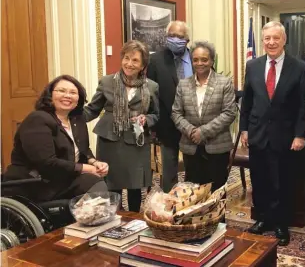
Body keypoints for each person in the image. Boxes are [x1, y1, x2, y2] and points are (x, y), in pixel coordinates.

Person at [240, 21, 305, 246]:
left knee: (283, 182)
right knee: (259, 180)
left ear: (284, 40)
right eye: (267, 38)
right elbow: (248, 101)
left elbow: (303, 104)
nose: (271, 42)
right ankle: (263, 220)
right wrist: (243, 129)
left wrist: (300, 134)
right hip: (257, 133)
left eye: (275, 38)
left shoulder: (299, 67)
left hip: (286, 136)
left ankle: (281, 224)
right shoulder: (252, 66)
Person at [2, 75, 108, 202]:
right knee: (91, 183)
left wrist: (94, 163)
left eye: (73, 92)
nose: (67, 95)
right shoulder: (38, 119)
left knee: (96, 183)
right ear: (50, 95)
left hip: (62, 180)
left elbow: (83, 150)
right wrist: (86, 168)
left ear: (78, 98)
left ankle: (98, 217)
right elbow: (47, 163)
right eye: (62, 91)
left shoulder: (77, 119)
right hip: (35, 183)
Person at [84, 40, 159, 213]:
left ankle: (133, 218)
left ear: (143, 65)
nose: (129, 64)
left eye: (135, 61)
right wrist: (68, 117)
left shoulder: (152, 87)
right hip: (110, 140)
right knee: (112, 185)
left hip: (136, 141)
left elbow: (156, 115)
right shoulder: (107, 82)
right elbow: (92, 110)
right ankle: (113, 218)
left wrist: (146, 120)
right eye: (126, 58)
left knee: (135, 185)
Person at [171, 41, 236, 191]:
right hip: (191, 146)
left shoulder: (224, 83)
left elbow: (229, 113)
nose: (200, 63)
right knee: (193, 192)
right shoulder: (183, 84)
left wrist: (203, 132)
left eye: (204, 59)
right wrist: (191, 131)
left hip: (217, 147)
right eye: (195, 59)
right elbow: (176, 113)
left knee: (216, 193)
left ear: (212, 60)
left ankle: (217, 216)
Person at [147, 20, 193, 193]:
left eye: (180, 37)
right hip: (168, 125)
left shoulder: (198, 57)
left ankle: (192, 205)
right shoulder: (155, 60)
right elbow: (151, 94)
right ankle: (170, 208)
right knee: (169, 173)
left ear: (187, 39)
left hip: (195, 125)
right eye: (172, 35)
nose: (175, 39)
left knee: (194, 170)